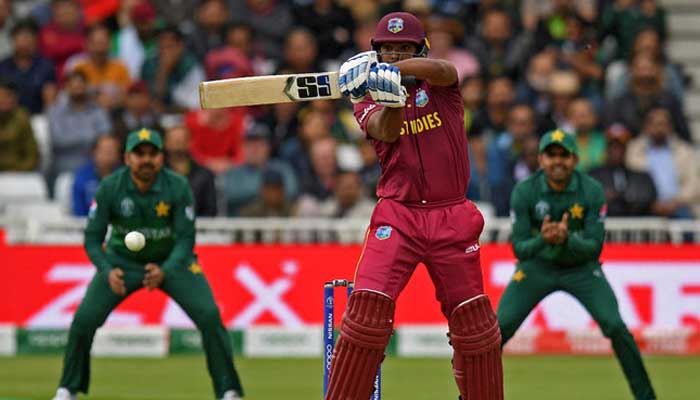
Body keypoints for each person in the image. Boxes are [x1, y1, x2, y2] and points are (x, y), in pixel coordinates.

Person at [326, 12, 503, 400]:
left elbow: (445, 69)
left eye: (403, 48)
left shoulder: (441, 86)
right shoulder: (365, 95)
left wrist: (397, 70)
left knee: (475, 329)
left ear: (419, 49)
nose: (393, 53)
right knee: (366, 317)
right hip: (398, 214)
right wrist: (389, 96)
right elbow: (385, 132)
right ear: (376, 51)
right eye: (387, 48)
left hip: (451, 215)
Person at [52, 128, 244, 400]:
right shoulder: (110, 187)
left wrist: (165, 270)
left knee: (210, 316)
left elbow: (186, 238)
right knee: (83, 321)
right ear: (127, 158)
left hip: (173, 263)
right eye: (138, 154)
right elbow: (92, 239)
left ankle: (229, 391)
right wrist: (107, 270)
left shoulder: (177, 186)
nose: (146, 160)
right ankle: (67, 389)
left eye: (152, 154)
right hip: (122, 262)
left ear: (162, 157)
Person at [497, 129, 656, 400]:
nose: (558, 161)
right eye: (551, 155)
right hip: (537, 266)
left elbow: (594, 247)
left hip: (581, 268)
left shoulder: (592, 191)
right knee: (495, 333)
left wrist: (565, 239)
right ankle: (473, 395)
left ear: (575, 159)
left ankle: (646, 397)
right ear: (541, 159)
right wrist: (544, 241)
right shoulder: (525, 191)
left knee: (616, 327)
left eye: (564, 155)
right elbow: (520, 249)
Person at [164, 125, 218, 217]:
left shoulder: (205, 175)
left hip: (198, 228)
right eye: (174, 139)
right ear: (165, 143)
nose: (178, 142)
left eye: (182, 139)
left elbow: (210, 211)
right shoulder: (157, 174)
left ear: (190, 142)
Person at [71, 134, 121, 216]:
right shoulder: (82, 177)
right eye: (105, 150)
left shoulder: (125, 177)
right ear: (94, 152)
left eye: (112, 150)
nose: (108, 154)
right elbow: (78, 213)